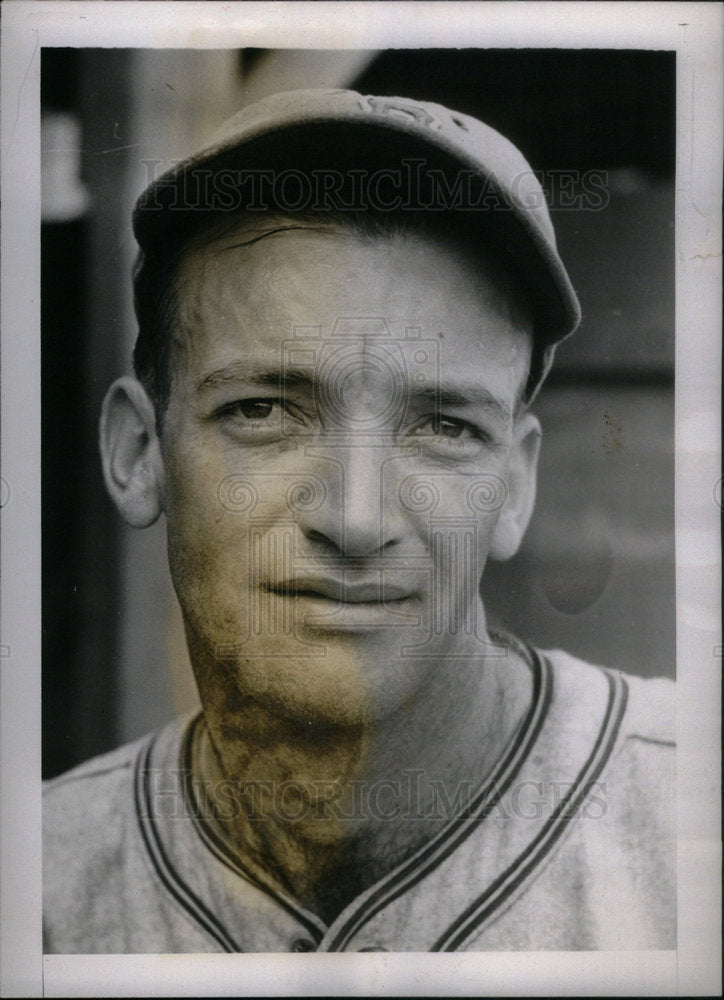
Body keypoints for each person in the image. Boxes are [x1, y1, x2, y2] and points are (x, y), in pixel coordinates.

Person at [43, 88, 675, 953]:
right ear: (137, 451)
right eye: (264, 410)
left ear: (515, 486)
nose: (355, 517)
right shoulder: (37, 883)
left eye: (445, 427)